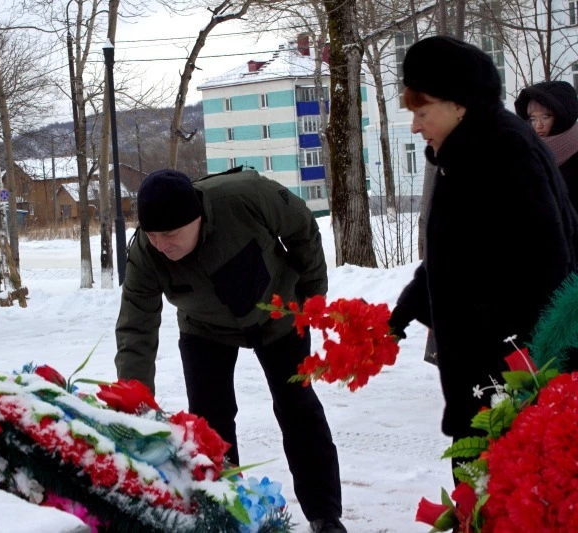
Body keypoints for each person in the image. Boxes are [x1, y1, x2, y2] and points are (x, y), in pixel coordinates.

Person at [115, 168, 346, 533]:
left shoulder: (243, 198)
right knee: (210, 422)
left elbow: (302, 227)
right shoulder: (146, 252)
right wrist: (133, 402)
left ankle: (325, 515)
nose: (161, 244)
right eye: (152, 234)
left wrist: (312, 299)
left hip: (279, 314)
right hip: (205, 329)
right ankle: (227, 514)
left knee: (297, 408)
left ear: (197, 217)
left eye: (170, 234)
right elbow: (136, 328)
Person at [388, 37, 578, 453]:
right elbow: (452, 258)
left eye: (422, 112)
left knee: (499, 499)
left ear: (459, 104)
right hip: (488, 374)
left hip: (508, 377)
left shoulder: (503, 154)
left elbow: (548, 267)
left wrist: (520, 373)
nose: (416, 125)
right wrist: (402, 313)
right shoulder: (468, 153)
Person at [514, 80, 578, 211]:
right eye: (533, 118)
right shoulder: (524, 152)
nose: (538, 125)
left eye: (545, 117)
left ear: (561, 116)